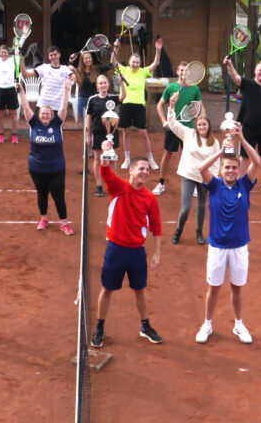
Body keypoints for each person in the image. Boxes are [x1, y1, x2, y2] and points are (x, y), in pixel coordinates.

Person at [193, 122, 260, 344]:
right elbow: (202, 169)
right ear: (221, 171)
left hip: (240, 247)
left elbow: (257, 162)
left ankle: (239, 325)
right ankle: (207, 324)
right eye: (227, 168)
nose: (231, 171)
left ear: (239, 170)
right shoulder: (215, 186)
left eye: (234, 168)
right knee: (214, 288)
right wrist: (221, 152)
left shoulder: (244, 185)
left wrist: (241, 140)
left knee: (237, 288)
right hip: (217, 247)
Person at [91, 150, 164, 348]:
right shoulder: (118, 187)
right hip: (115, 249)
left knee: (140, 290)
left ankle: (145, 326)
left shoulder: (150, 198)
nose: (145, 172)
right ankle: (100, 327)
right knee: (107, 289)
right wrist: (106, 152)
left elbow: (156, 227)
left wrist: (157, 252)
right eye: (141, 168)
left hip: (137, 251)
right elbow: (105, 172)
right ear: (130, 171)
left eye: (147, 169)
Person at [19, 77, 74, 235]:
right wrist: (21, 90)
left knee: (58, 196)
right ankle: (44, 219)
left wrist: (67, 89)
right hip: (37, 168)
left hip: (56, 168)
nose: (45, 116)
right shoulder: (33, 124)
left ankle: (64, 223)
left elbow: (64, 106)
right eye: (42, 114)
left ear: (51, 115)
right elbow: (25, 105)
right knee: (41, 194)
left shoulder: (57, 124)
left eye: (47, 114)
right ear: (39, 114)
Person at [223, 56, 261, 194]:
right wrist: (229, 64)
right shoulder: (247, 84)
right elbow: (235, 77)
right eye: (260, 70)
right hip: (248, 127)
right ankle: (239, 181)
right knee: (244, 156)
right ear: (255, 71)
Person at [166, 91, 219, 245]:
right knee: (186, 208)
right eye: (200, 124)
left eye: (204, 124)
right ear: (196, 126)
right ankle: (178, 231)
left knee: (202, 206)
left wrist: (212, 179)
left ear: (208, 126)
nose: (202, 127)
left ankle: (199, 232)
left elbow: (216, 163)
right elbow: (173, 124)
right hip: (188, 175)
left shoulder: (214, 142)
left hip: (204, 178)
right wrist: (171, 107)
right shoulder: (188, 134)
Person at [112, 37, 164, 169]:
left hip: (139, 105)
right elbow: (113, 61)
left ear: (139, 63)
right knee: (126, 132)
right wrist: (115, 48)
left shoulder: (143, 71)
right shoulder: (124, 70)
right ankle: (127, 159)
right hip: (126, 104)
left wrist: (158, 51)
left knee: (143, 133)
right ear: (129, 62)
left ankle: (151, 159)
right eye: (133, 62)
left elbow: (155, 64)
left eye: (137, 62)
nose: (135, 64)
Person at [153, 61, 203, 196]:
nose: (183, 72)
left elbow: (200, 108)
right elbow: (159, 105)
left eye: (186, 70)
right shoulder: (171, 88)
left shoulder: (195, 89)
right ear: (177, 72)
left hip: (188, 129)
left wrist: (202, 124)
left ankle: (194, 186)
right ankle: (161, 183)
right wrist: (164, 121)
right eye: (181, 70)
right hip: (172, 129)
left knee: (192, 155)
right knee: (167, 154)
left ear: (189, 73)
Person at [84, 74, 126, 197]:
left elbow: (123, 97)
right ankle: (99, 185)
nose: (103, 85)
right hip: (97, 133)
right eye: (100, 83)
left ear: (108, 84)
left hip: (111, 134)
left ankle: (113, 184)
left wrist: (121, 82)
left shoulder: (112, 97)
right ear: (97, 85)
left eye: (105, 83)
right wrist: (88, 135)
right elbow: (88, 118)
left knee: (112, 159)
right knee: (98, 159)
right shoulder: (92, 99)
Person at [21, 45, 76, 111]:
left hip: (58, 107)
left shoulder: (65, 69)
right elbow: (26, 75)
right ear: (48, 57)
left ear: (59, 55)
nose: (53, 57)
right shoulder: (44, 67)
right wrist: (20, 60)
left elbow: (74, 79)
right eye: (51, 55)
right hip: (43, 105)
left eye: (55, 54)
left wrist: (73, 73)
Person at [71, 50, 110, 126]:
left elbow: (110, 65)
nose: (88, 60)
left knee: (96, 124)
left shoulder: (96, 69)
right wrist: (70, 61)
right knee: (86, 126)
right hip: (83, 101)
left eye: (89, 58)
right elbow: (66, 71)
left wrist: (111, 50)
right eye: (85, 58)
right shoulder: (78, 71)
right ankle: (87, 138)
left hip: (95, 100)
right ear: (82, 60)